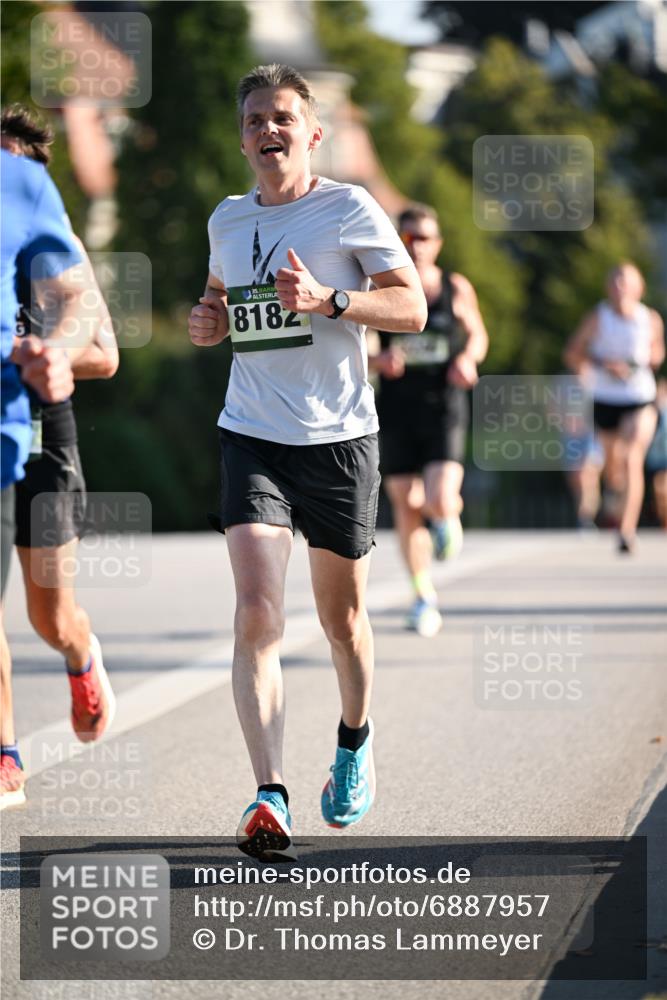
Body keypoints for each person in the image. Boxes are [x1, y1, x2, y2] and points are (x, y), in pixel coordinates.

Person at [188, 64, 426, 860]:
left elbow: (412, 308)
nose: (268, 130)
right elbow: (220, 296)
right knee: (257, 611)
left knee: (341, 621)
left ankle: (353, 741)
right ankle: (269, 792)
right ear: (242, 133)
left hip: (338, 441)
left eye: (282, 117)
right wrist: (209, 318)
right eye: (254, 118)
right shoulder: (226, 217)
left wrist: (331, 301)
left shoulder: (348, 207)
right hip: (251, 431)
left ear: (311, 132)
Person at [0, 110, 116, 810]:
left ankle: (80, 656)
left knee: (50, 615)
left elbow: (104, 351)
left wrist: (50, 355)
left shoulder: (56, 239)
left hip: (44, 429)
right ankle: (5, 751)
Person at [370, 204, 488, 637]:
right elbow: (360, 342)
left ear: (437, 244)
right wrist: (378, 359)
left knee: (437, 497)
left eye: (424, 237)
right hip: (398, 408)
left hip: (444, 404)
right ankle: (423, 595)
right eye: (408, 237)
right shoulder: (382, 285)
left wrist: (469, 359)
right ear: (397, 242)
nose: (416, 245)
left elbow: (476, 333)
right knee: (405, 500)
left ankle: (447, 517)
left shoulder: (455, 287)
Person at [564, 262, 665, 552]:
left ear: (638, 288)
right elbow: (572, 353)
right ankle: (613, 491)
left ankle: (626, 530)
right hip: (605, 398)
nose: (620, 287)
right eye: (616, 282)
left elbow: (657, 352)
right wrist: (602, 364)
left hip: (638, 397)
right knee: (614, 466)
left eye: (626, 282)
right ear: (609, 288)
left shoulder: (650, 319)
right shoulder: (598, 317)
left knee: (633, 457)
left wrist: (642, 361)